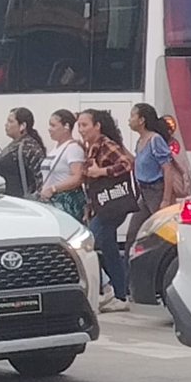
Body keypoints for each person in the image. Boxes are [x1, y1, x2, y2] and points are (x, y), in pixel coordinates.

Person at [79, 108, 134, 313]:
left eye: (85, 125)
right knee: (108, 247)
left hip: (113, 205)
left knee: (89, 242)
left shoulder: (106, 144)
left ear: (97, 126)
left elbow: (126, 164)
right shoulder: (91, 147)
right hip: (102, 205)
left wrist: (101, 171)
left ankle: (110, 289)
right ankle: (119, 294)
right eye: (79, 126)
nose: (81, 130)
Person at [125, 103, 182, 249]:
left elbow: (167, 169)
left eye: (132, 116)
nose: (129, 120)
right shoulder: (140, 141)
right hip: (144, 193)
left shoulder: (155, 140)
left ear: (141, 120)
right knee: (133, 233)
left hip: (156, 190)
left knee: (162, 232)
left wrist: (165, 199)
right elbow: (137, 162)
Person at [38, 109, 87, 222]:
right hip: (50, 201)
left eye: (53, 125)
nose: (49, 129)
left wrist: (53, 189)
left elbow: (77, 177)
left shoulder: (73, 148)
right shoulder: (56, 148)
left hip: (64, 201)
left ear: (66, 127)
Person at [0, 107, 46, 197]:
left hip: (19, 199)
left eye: (10, 121)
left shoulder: (29, 147)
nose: (6, 124)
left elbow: (40, 177)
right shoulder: (15, 145)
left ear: (23, 126)